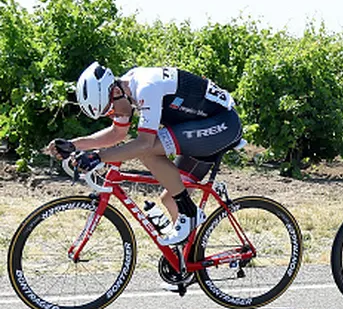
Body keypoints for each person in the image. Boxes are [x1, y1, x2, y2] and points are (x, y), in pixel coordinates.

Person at [46, 61, 242, 246]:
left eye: (109, 110)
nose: (112, 115)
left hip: (223, 124)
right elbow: (116, 134)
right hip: (199, 128)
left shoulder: (146, 87)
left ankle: (190, 213)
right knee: (170, 198)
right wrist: (74, 145)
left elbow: (144, 144)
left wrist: (99, 156)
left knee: (145, 151)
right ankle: (187, 261)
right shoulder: (125, 91)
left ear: (115, 92)